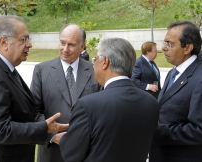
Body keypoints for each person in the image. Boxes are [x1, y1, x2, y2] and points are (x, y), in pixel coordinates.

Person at [0, 15, 69, 162]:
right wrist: (44, 127)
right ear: (4, 42)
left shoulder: (1, 66)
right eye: (23, 39)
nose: (29, 44)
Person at [52, 38, 159, 162]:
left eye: (95, 60)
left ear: (105, 62)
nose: (93, 65)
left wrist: (64, 139)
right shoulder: (151, 102)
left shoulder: (88, 105)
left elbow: (72, 154)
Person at [30, 24, 100, 162]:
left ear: (82, 47)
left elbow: (102, 110)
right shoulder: (41, 70)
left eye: (71, 45)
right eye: (62, 43)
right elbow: (34, 110)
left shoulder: (94, 70)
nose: (65, 49)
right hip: (52, 152)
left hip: (88, 152)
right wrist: (52, 136)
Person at [149, 21, 202, 162]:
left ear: (188, 48)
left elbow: (198, 130)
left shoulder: (199, 78)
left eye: (170, 44)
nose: (163, 48)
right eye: (164, 42)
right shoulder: (174, 72)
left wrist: (155, 130)